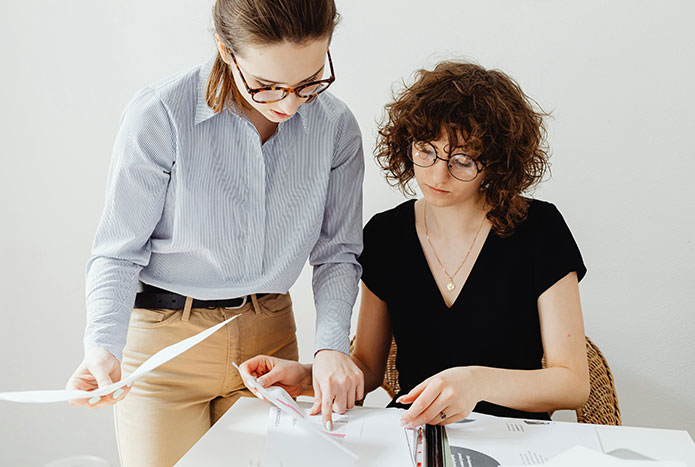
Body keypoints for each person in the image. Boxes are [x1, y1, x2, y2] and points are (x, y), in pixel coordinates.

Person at [65, 1, 365, 465]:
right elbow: (118, 252)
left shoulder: (335, 126)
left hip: (271, 348)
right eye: (266, 86)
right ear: (227, 52)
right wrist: (102, 344)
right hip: (164, 350)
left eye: (308, 83)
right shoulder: (161, 114)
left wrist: (330, 347)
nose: (288, 104)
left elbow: (338, 255)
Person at [241, 60, 591, 428]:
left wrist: (476, 383)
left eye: (463, 160)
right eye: (426, 151)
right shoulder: (387, 235)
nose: (438, 174)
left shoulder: (538, 229)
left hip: (514, 436)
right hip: (415, 434)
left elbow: (572, 383)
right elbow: (368, 369)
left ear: (497, 162)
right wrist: (306, 376)